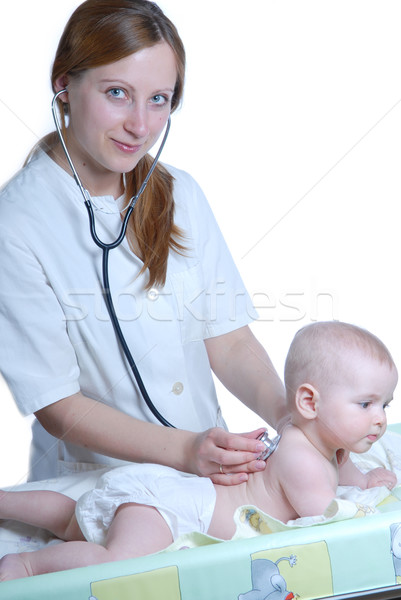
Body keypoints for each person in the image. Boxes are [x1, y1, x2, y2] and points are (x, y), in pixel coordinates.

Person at [0, 0, 287, 485]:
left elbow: (229, 339)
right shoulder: (18, 222)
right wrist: (184, 449)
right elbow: (56, 404)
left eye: (159, 99)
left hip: (208, 473)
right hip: (101, 484)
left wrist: (291, 420)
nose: (140, 125)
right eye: (118, 93)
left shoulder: (179, 193)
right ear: (64, 85)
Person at [0, 320, 397, 580]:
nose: (379, 418)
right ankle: (28, 564)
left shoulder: (324, 445)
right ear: (309, 403)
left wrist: (366, 479)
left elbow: (346, 476)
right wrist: (368, 499)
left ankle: (6, 503)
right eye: (366, 404)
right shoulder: (300, 459)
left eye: (386, 405)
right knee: (116, 565)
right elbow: (331, 516)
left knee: (75, 518)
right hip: (173, 517)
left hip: (175, 495)